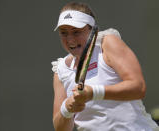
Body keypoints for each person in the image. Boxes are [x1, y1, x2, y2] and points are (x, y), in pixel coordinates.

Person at [51, 2, 159, 131]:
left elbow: (138, 87)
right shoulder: (60, 71)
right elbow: (60, 127)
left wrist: (93, 93)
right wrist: (67, 109)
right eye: (64, 33)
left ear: (91, 30)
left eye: (76, 32)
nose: (70, 39)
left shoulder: (107, 44)